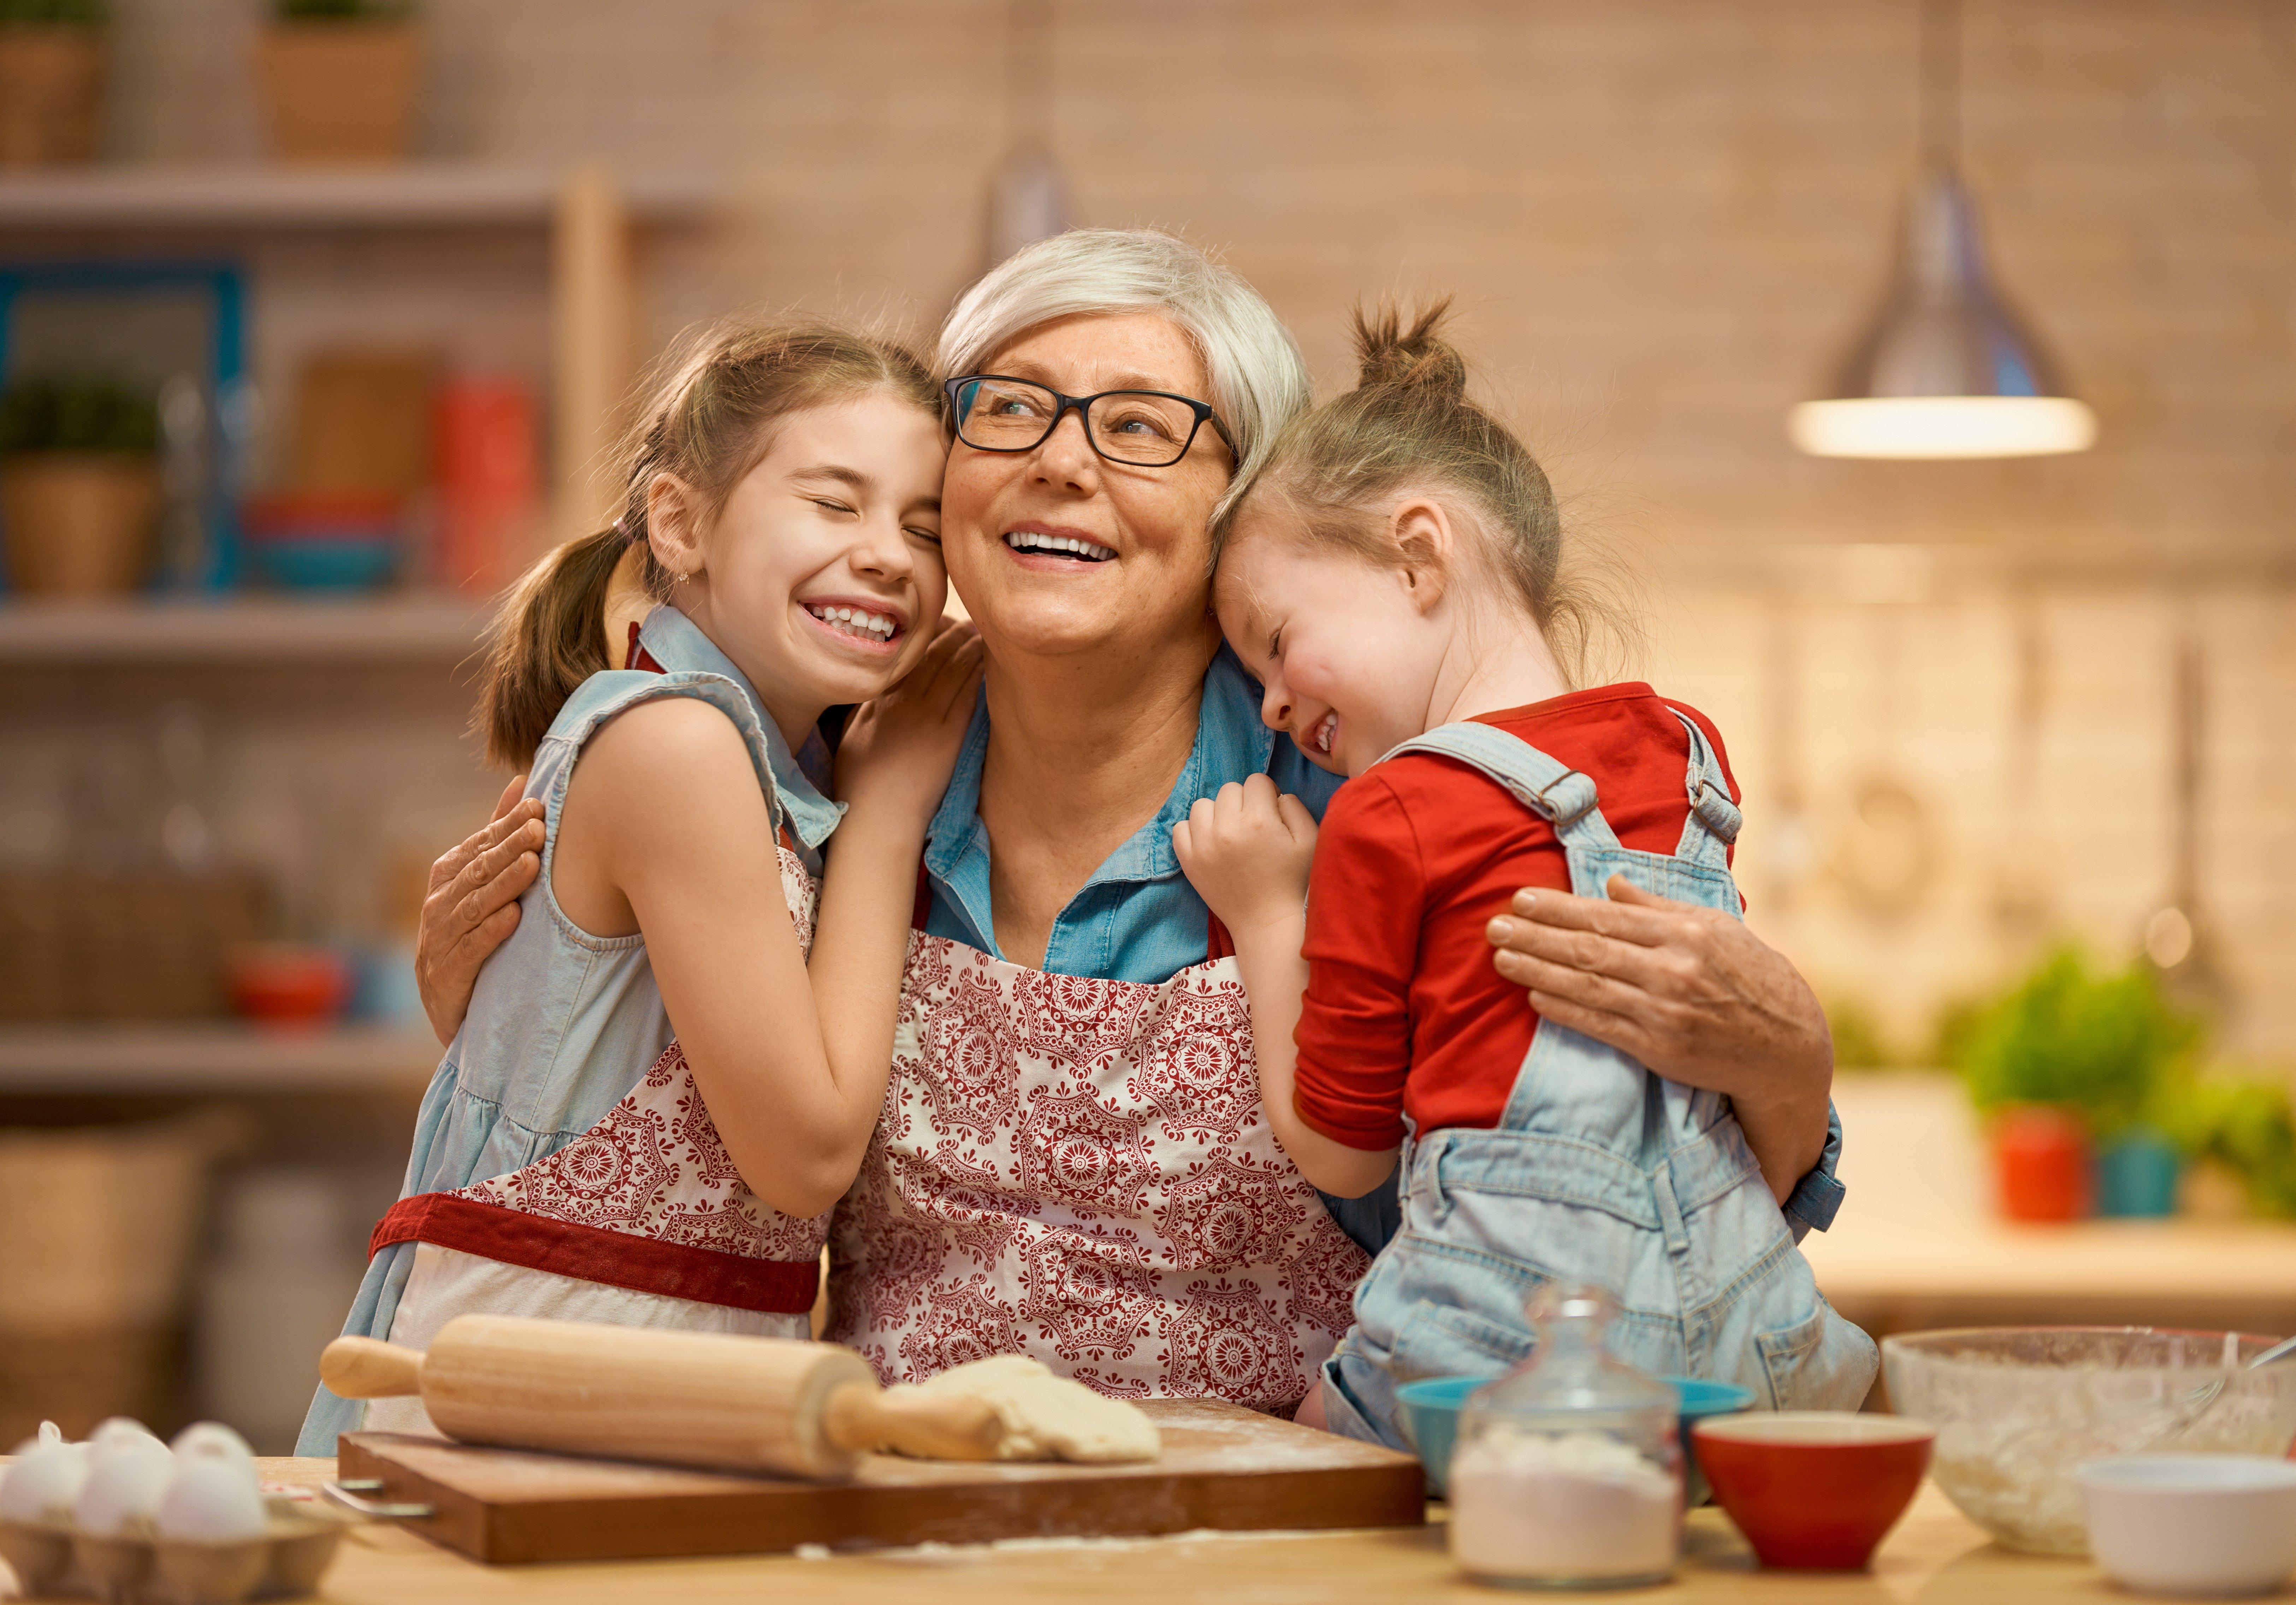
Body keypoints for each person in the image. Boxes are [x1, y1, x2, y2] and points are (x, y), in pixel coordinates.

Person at [405, 230, 1846, 1421]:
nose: (1060, 460)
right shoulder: (822, 762)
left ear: (1239, 510)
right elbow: (627, 1083)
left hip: (1294, 1543)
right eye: (1009, 410)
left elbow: (1644, 1179)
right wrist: (497, 979)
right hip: (905, 1534)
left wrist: (1784, 1063)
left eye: (1142, 427)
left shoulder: (1370, 791)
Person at [1171, 300, 1877, 1445]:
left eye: (1276, 642)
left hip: (1504, 1342)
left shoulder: (1386, 813)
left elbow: (1342, 1153)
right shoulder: (1684, 750)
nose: (1271, 706)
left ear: (1417, 555)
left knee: (1299, 1454)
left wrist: (1263, 910)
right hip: (1744, 1344)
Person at [297, 321, 984, 1452]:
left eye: (923, 527)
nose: (887, 557)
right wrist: (891, 809)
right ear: (680, 522)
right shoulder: (677, 746)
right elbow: (804, 1159)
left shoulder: (776, 768)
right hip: (539, 1380)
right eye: (833, 502)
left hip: (646, 1376)